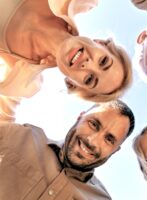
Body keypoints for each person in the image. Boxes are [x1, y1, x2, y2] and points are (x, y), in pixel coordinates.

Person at [0, 0, 133, 121]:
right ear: (101, 43)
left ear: (73, 83)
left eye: (89, 79)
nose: (87, 64)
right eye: (103, 61)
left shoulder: (19, 82)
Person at [0, 100, 135, 199]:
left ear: (115, 151)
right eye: (93, 124)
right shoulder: (18, 135)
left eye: (109, 139)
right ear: (80, 117)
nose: (92, 141)